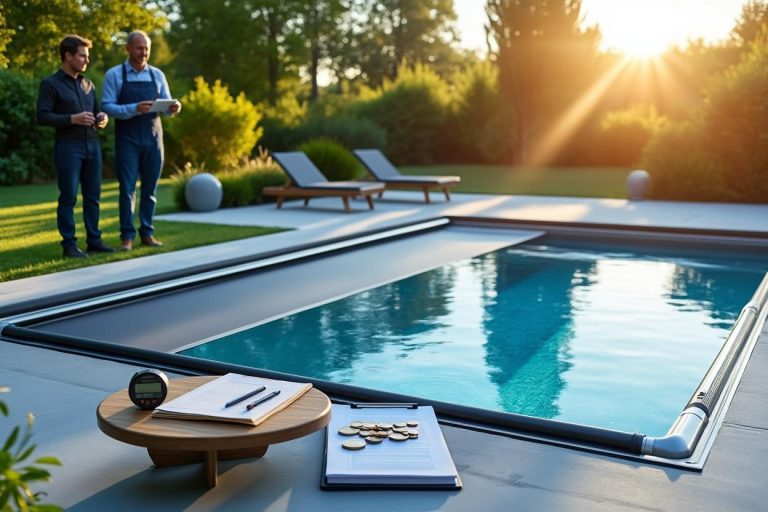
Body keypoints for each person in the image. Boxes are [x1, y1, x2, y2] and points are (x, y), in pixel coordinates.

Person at [102, 30, 181, 251]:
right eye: (139, 48)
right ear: (127, 48)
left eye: (146, 48)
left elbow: (167, 106)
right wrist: (133, 108)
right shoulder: (115, 75)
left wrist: (173, 108)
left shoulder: (157, 75)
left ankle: (147, 233)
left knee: (150, 189)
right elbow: (107, 106)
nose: (144, 52)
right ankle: (127, 236)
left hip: (154, 137)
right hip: (127, 139)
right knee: (127, 189)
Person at [37, 34, 113, 258]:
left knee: (93, 196)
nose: (86, 61)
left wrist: (103, 117)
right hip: (68, 147)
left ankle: (94, 241)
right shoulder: (50, 84)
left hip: (92, 145)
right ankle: (69, 245)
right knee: (68, 197)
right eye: (82, 56)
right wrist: (72, 118)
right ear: (68, 56)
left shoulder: (88, 84)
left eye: (87, 56)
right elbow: (42, 116)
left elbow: (98, 109)